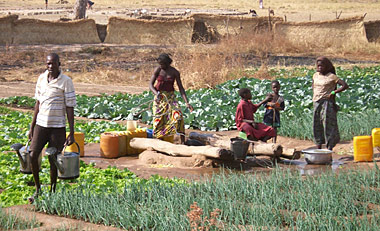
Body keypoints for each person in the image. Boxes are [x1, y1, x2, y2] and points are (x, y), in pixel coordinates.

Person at [28, 53, 76, 203]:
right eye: (48, 64)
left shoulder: (66, 81)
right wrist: (32, 126)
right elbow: (38, 104)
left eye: (53, 63)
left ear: (59, 64)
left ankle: (53, 191)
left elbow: (69, 108)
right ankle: (38, 189)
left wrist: (71, 132)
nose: (50, 66)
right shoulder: (41, 79)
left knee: (53, 159)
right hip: (41, 125)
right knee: (32, 155)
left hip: (57, 127)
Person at [149, 53, 193, 144]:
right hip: (159, 98)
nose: (161, 66)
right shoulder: (158, 70)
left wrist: (186, 102)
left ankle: (183, 142)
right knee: (159, 120)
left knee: (178, 117)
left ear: (168, 63)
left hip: (170, 98)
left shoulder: (174, 72)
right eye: (160, 64)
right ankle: (159, 142)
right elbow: (150, 85)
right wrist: (156, 94)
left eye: (163, 64)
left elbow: (181, 88)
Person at [312, 57, 348, 150]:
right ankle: (318, 145)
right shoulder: (315, 75)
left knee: (328, 123)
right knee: (316, 123)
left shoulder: (331, 76)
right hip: (316, 101)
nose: (319, 67)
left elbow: (344, 85)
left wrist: (333, 92)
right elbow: (314, 86)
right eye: (318, 65)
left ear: (326, 66)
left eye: (322, 66)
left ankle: (330, 147)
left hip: (327, 102)